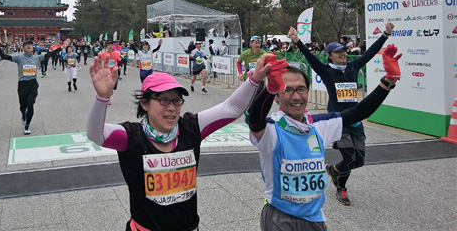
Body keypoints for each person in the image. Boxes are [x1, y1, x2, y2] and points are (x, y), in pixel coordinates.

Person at [87, 53, 283, 231]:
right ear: (145, 104)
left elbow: (231, 108)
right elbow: (97, 134)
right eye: (163, 100)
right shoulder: (132, 136)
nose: (172, 108)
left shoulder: (190, 128)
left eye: (176, 101)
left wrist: (255, 79)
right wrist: (102, 98)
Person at [247, 44, 401, 229]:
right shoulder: (271, 129)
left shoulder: (319, 125)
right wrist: (269, 88)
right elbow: (255, 120)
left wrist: (388, 81)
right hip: (280, 216)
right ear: (277, 96)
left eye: (301, 89)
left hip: (314, 218)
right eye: (288, 90)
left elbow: (360, 111)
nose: (296, 96)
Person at [288, 22, 394, 206]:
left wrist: (385, 34)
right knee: (350, 157)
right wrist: (297, 41)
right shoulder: (326, 71)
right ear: (329, 56)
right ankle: (341, 188)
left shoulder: (353, 67)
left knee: (359, 160)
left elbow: (369, 54)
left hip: (356, 118)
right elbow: (311, 58)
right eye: (338, 52)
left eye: (344, 51)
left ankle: (335, 170)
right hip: (338, 121)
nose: (343, 54)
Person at [0, 37, 50, 135]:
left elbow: (49, 55)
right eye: (27, 45)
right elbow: (5, 56)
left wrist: (62, 48)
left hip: (33, 84)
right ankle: (23, 114)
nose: (29, 46)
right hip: (22, 85)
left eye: (30, 45)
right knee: (23, 106)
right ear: (23, 48)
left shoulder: (37, 57)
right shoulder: (19, 58)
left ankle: (27, 126)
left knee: (30, 104)